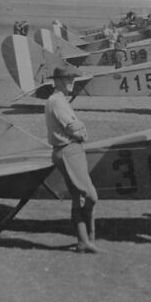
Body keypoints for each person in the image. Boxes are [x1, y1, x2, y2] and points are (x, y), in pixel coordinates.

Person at [45, 64, 101, 254]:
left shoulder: (59, 99)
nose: (72, 82)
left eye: (73, 79)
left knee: (78, 198)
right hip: (69, 150)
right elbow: (75, 129)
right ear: (59, 81)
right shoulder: (57, 101)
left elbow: (76, 127)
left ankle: (84, 241)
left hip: (69, 149)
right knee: (91, 195)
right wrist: (83, 132)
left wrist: (80, 130)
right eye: (68, 79)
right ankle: (88, 237)